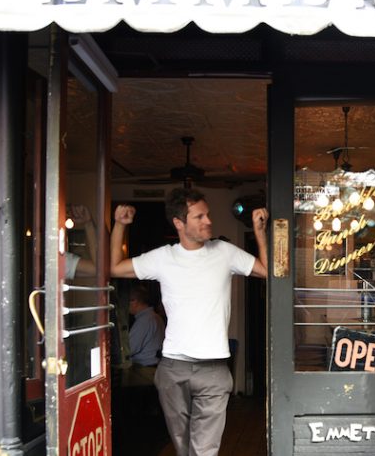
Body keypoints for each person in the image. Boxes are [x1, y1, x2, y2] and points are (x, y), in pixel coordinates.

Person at [110, 189, 268, 456]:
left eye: (208, 214)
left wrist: (259, 233)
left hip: (214, 369)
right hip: (173, 368)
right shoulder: (162, 257)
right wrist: (119, 225)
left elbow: (268, 272)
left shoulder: (225, 252)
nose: (208, 221)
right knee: (184, 449)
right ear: (179, 223)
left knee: (204, 451)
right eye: (199, 216)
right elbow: (114, 269)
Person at [125, 284, 164, 387]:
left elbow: (130, 348)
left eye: (127, 302)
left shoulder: (144, 321)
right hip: (155, 369)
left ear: (134, 301)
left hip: (143, 372)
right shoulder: (156, 317)